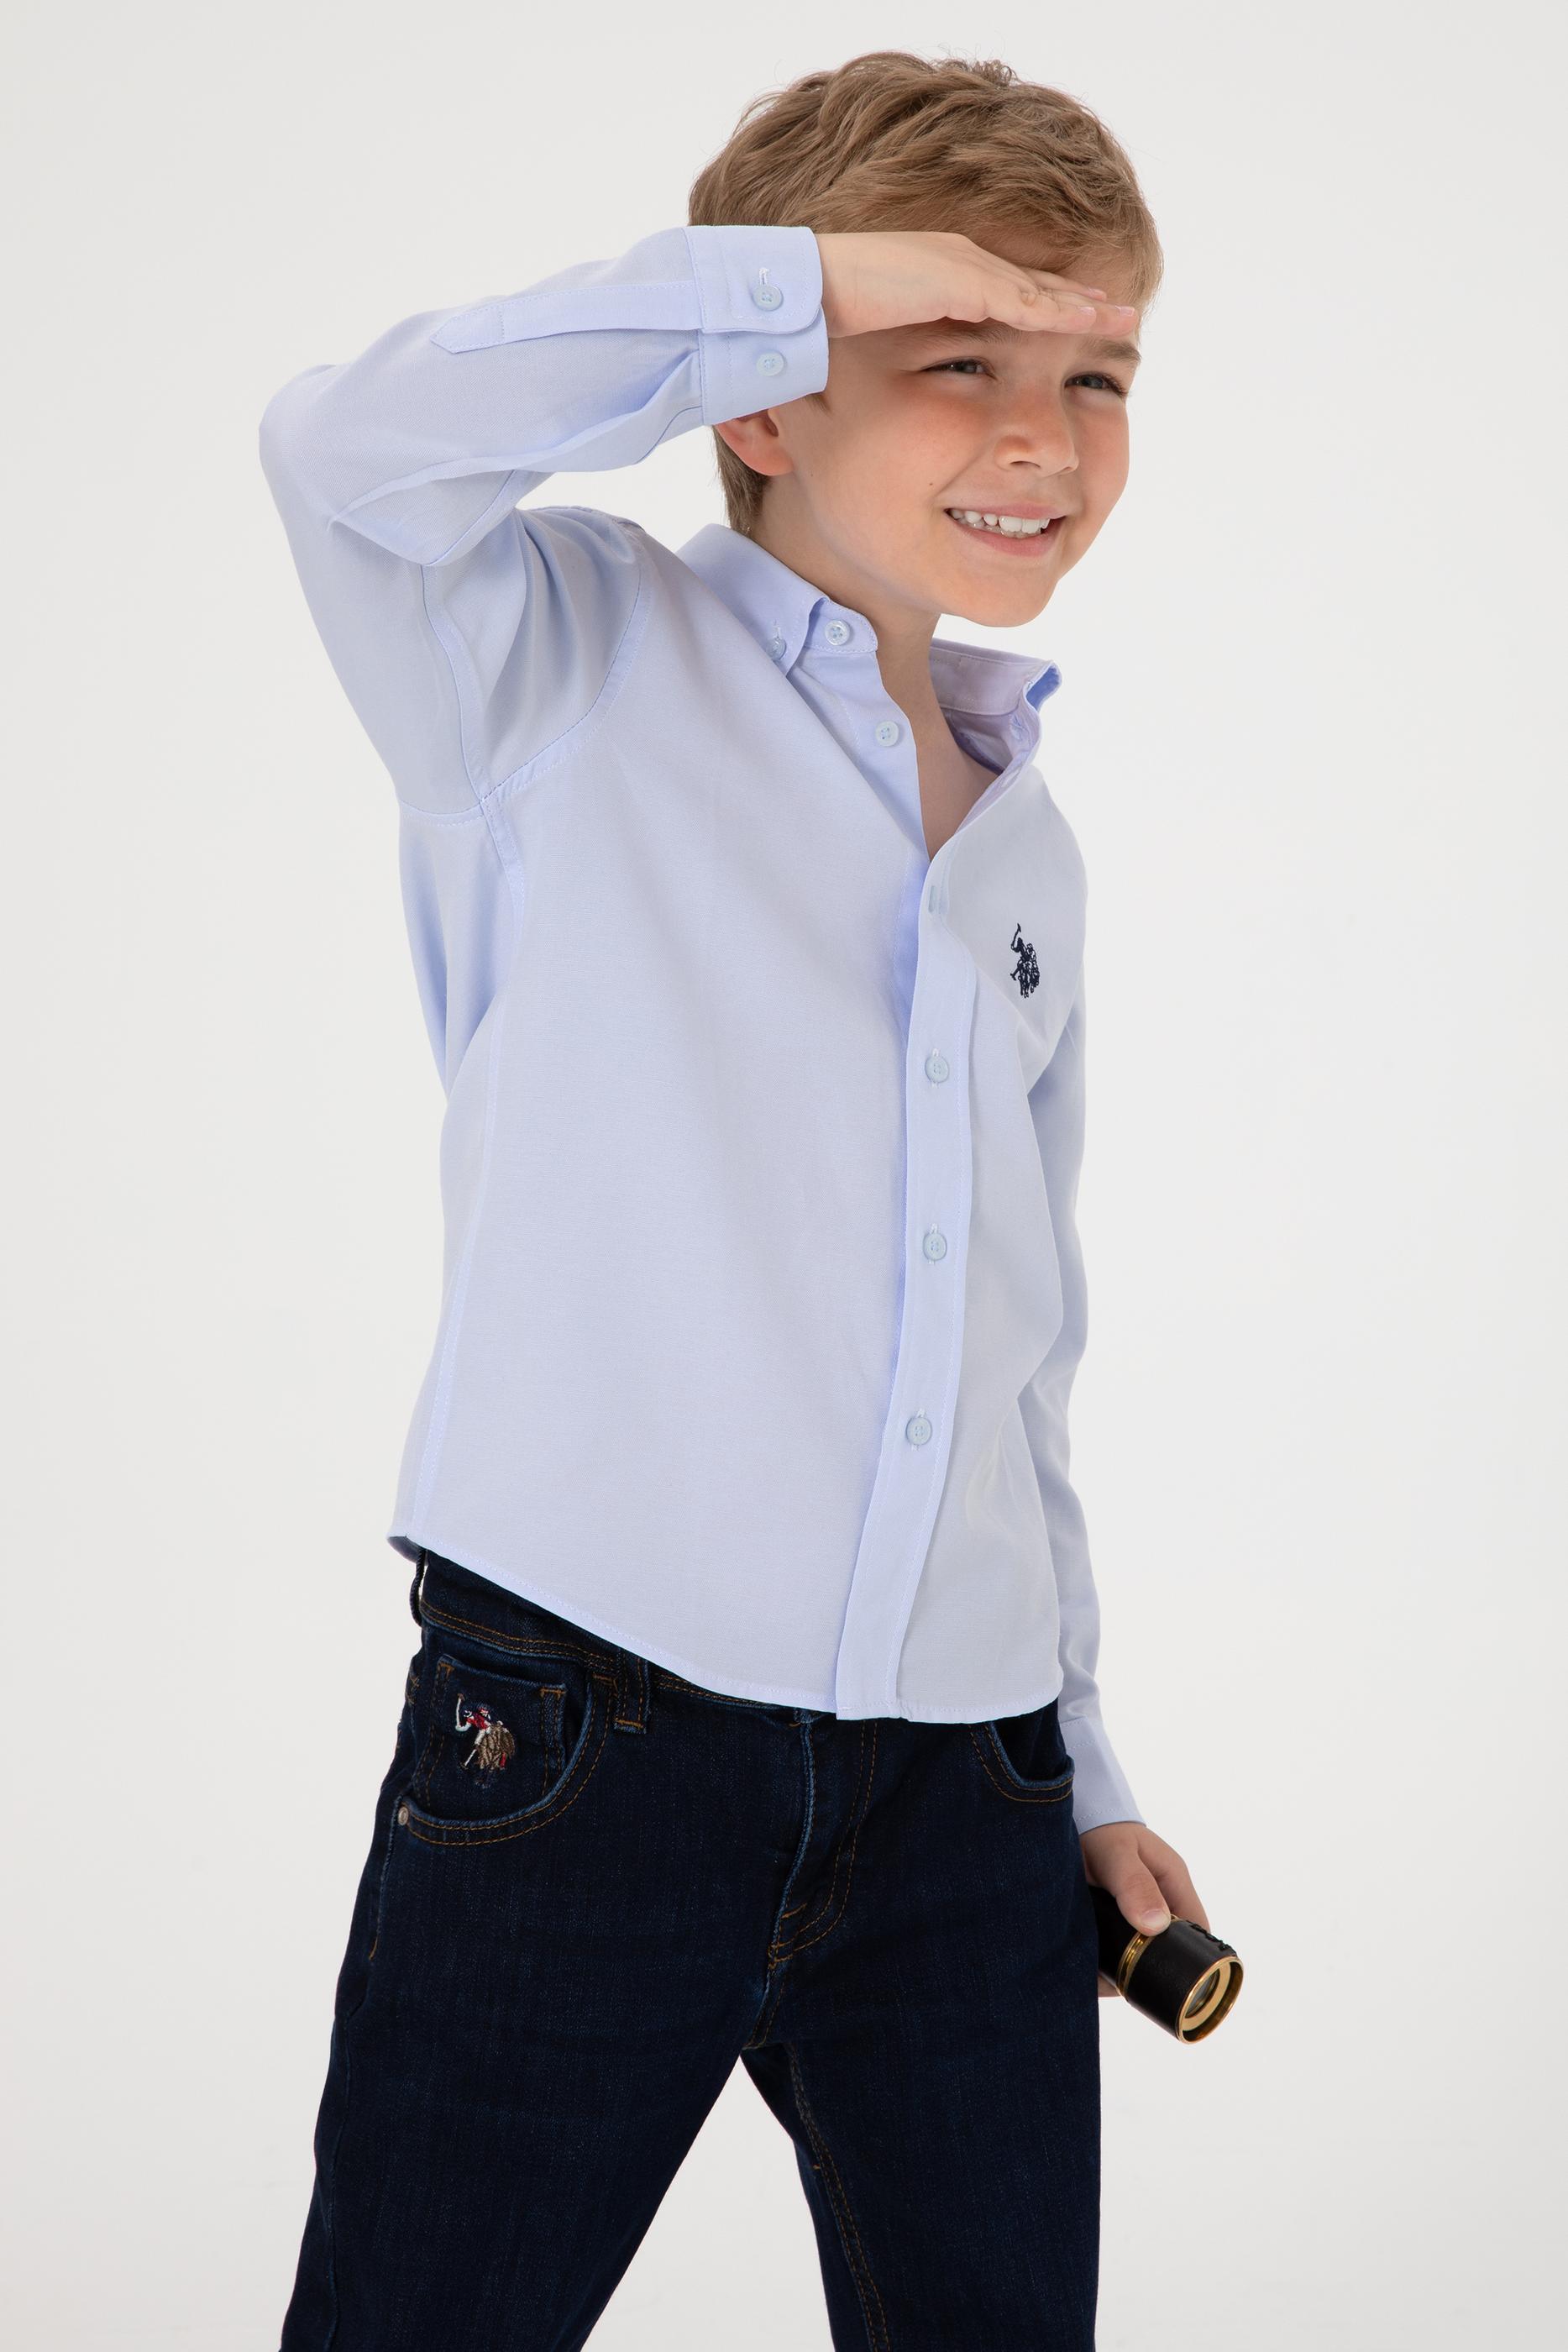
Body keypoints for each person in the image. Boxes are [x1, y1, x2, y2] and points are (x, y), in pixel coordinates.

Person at [260, 46, 1210, 2352]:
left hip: (966, 1794)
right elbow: (339, 451)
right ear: (768, 388)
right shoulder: (555, 662)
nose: (1045, 435)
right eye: (955, 356)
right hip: (590, 1747)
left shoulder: (1026, 841)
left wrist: (1075, 1768)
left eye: (1095, 375)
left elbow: (1018, 1353)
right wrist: (782, 284)